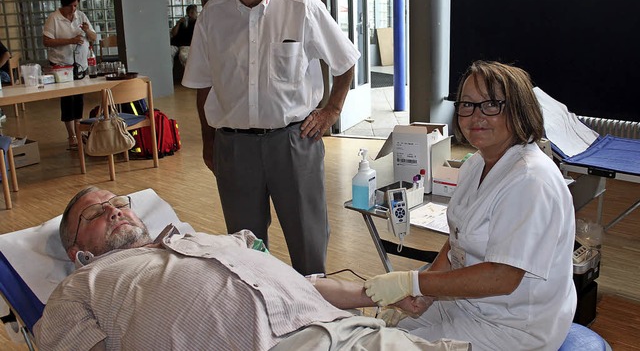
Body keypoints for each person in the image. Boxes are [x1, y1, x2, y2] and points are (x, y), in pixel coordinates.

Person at [33, 186, 470, 351]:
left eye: (117, 203)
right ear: (77, 251)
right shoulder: (79, 289)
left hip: (339, 333)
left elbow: (302, 285)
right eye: (93, 214)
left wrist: (379, 292)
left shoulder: (208, 240)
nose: (112, 211)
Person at [363, 61, 577, 350]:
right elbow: (456, 243)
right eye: (467, 104)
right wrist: (426, 291)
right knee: (386, 331)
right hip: (469, 304)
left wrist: (413, 283)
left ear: (518, 110)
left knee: (388, 347)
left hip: (513, 325)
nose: (476, 116)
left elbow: (502, 277)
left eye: (491, 104)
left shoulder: (530, 179)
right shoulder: (476, 164)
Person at [182, 0, 360, 276]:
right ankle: (261, 315)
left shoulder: (301, 7)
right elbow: (203, 84)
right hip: (234, 146)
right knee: (244, 248)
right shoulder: (212, 16)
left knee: (307, 240)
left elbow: (345, 60)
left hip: (293, 142)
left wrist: (331, 111)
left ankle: (315, 315)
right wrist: (209, 142)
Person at [43, 0, 97, 150]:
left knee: (79, 98)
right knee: (67, 99)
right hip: (61, 64)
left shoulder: (81, 16)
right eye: (70, 6)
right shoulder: (54, 18)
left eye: (75, 5)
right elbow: (47, 41)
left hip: (79, 63)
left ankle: (79, 131)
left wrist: (88, 32)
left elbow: (94, 37)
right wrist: (70, 40)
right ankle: (71, 135)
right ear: (63, 4)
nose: (73, 9)